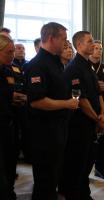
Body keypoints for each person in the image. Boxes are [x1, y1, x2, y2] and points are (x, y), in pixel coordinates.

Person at [25, 22, 79, 200]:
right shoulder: (38, 65)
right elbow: (37, 102)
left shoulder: (56, 63)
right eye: (63, 39)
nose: (66, 43)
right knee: (45, 179)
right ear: (50, 38)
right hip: (44, 132)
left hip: (58, 128)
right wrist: (66, 104)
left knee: (53, 176)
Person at [59, 31, 104, 200]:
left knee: (87, 163)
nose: (93, 44)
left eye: (93, 41)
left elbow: (98, 93)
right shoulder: (74, 68)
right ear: (79, 45)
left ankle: (84, 193)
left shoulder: (88, 66)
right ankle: (74, 194)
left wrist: (102, 114)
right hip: (79, 125)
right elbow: (81, 99)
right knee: (77, 164)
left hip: (92, 122)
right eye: (89, 41)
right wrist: (97, 119)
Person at [89, 40, 104, 180]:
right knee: (88, 140)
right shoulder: (84, 66)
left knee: (102, 139)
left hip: (103, 106)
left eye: (100, 48)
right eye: (96, 48)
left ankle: (100, 168)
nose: (98, 50)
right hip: (87, 106)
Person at [0, 34, 18, 200]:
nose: (12, 55)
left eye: (13, 51)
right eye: (8, 52)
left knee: (10, 162)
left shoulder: (7, 69)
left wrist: (15, 97)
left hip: (8, 122)